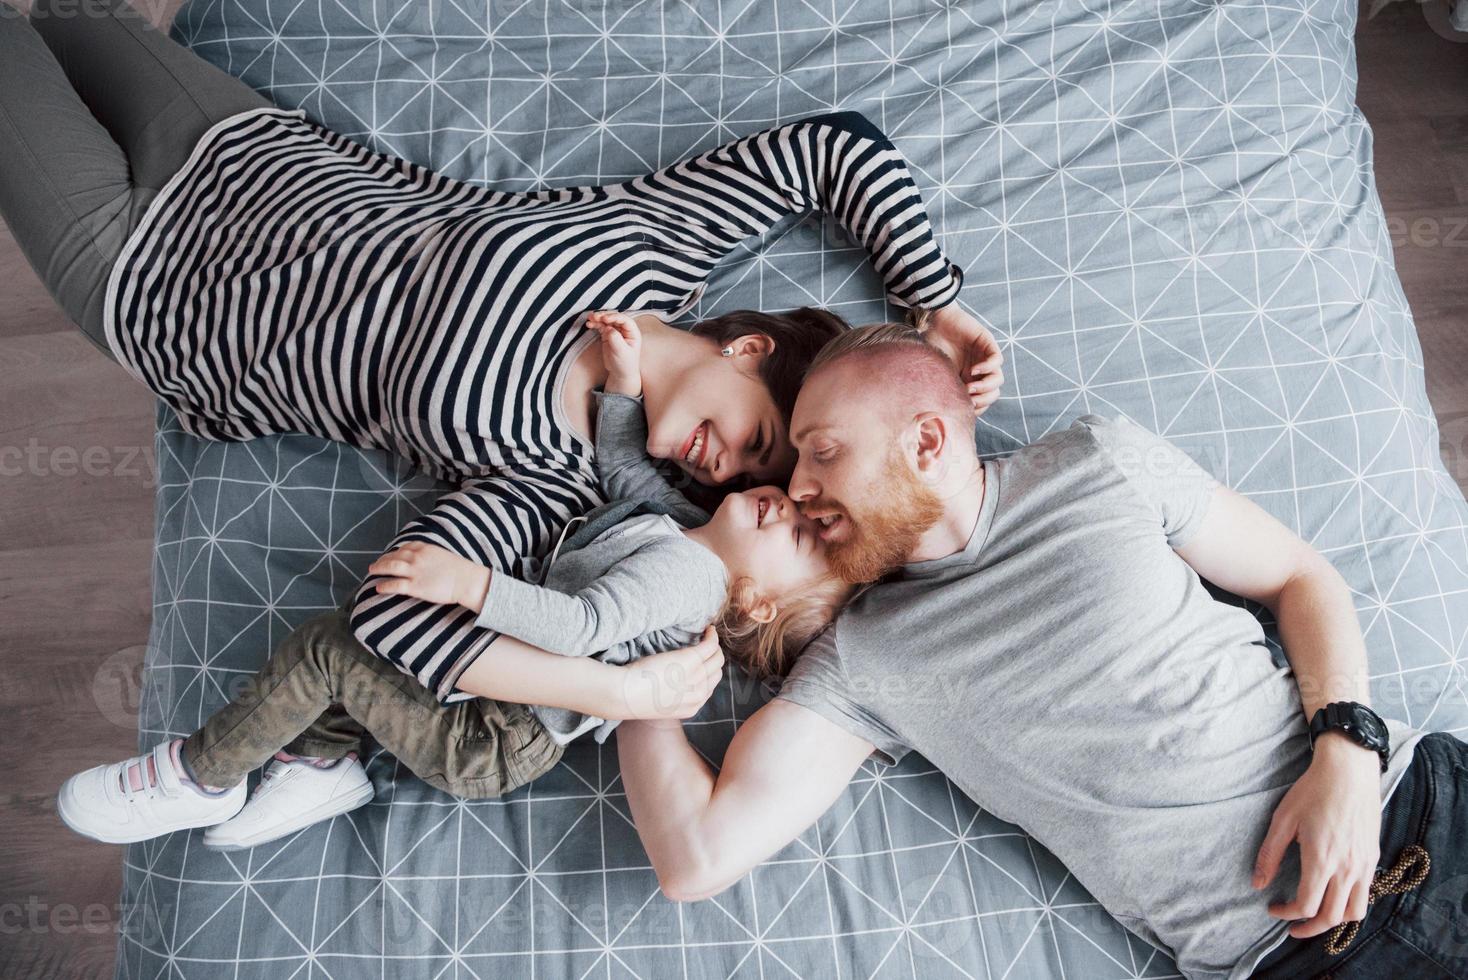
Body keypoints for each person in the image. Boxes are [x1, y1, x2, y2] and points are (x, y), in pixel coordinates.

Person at [0, 0, 1003, 706]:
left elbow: (397, 623)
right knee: (70, 13)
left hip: (155, 287)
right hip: (239, 147)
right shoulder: (651, 243)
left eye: (745, 476)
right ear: (745, 349)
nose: (723, 467)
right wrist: (936, 304)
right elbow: (837, 148)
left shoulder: (551, 481)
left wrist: (612, 686)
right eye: (761, 436)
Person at [616, 323, 1464, 979]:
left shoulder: (1099, 460)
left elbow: (1299, 577)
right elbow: (695, 858)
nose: (797, 487)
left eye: (823, 452)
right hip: (1299, 955)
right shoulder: (860, 660)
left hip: (1418, 804)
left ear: (925, 443)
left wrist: (1348, 754)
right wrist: (634, 662)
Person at [56, 311, 851, 850]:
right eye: (795, 502)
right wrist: (624, 384)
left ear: (755, 599)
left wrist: (470, 585)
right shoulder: (682, 526)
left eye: (796, 539)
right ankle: (320, 764)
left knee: (331, 650)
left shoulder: (685, 579)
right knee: (364, 663)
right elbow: (619, 467)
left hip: (494, 739)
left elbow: (578, 627)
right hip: (497, 707)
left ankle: (201, 775)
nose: (787, 508)